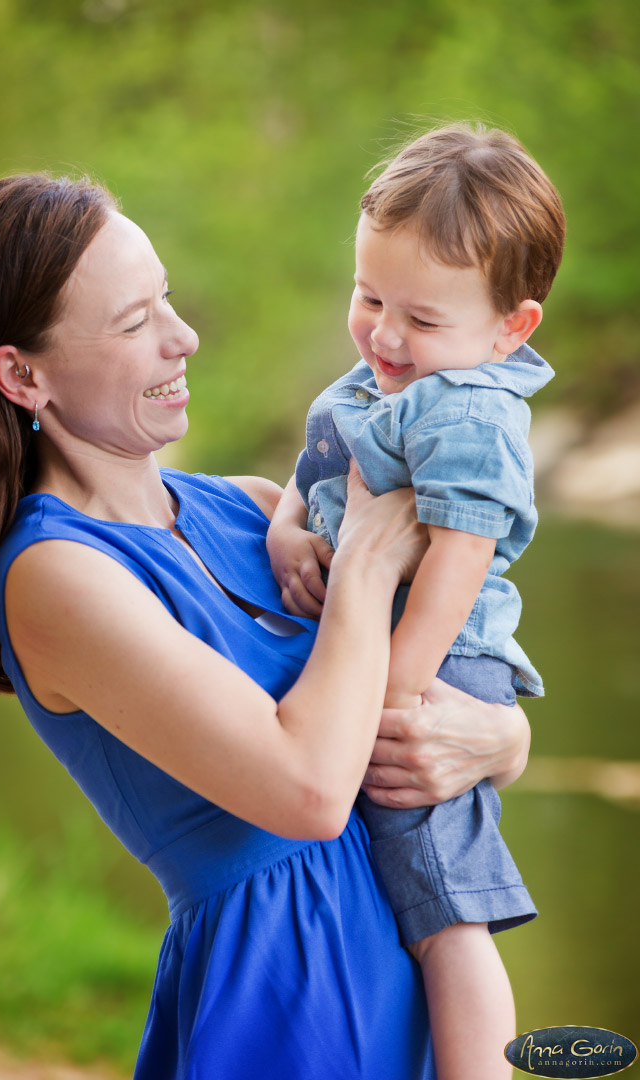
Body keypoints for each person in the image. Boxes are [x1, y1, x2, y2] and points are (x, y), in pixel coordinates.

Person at [0, 172, 532, 1080]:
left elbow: (441, 683)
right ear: (23, 374)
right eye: (135, 322)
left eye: (166, 297)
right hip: (287, 1004)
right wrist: (364, 559)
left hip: (417, 958)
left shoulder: (253, 513)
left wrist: (501, 738)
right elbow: (312, 792)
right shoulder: (54, 575)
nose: (184, 336)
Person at [267, 124, 565, 1080]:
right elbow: (314, 468)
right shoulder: (388, 372)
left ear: (510, 327)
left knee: (447, 912)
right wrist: (284, 527)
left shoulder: (472, 412)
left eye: (423, 320)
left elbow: (457, 568)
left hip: (436, 661)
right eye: (368, 298)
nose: (385, 336)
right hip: (377, 647)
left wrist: (390, 695)